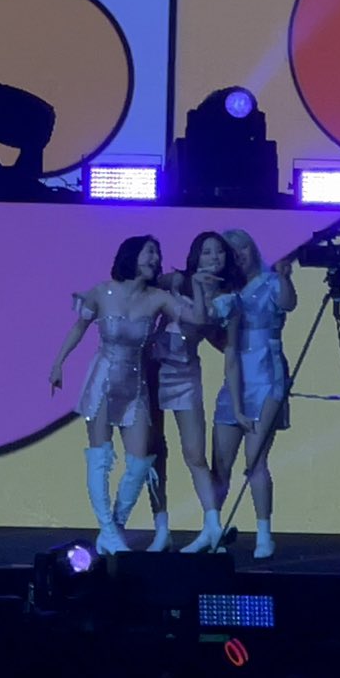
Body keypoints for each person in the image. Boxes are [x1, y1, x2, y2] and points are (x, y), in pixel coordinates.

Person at [49, 236, 206, 553]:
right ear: (131, 255)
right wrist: (58, 363)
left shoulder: (158, 298)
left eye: (157, 253)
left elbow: (197, 319)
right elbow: (79, 327)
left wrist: (200, 288)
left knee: (139, 461)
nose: (154, 258)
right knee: (100, 457)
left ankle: (115, 525)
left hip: (134, 385)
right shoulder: (102, 292)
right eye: (149, 252)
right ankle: (107, 530)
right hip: (103, 380)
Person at [146, 231, 241, 554]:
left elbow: (209, 331)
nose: (213, 257)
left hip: (185, 373)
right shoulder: (178, 280)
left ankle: (212, 525)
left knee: (195, 454)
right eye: (207, 252)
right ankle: (161, 529)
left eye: (219, 252)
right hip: (152, 369)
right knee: (152, 451)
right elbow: (147, 288)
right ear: (196, 256)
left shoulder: (227, 298)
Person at [211, 229, 297, 560]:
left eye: (243, 248)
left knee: (255, 458)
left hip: (266, 376)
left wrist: (285, 276)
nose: (239, 256)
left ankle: (264, 534)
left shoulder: (270, 282)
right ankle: (214, 529)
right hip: (236, 380)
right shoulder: (225, 291)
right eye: (232, 252)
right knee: (221, 461)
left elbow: (288, 303)